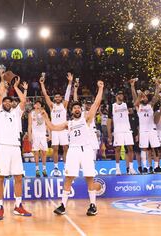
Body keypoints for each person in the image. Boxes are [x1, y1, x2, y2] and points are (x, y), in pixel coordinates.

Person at [44, 80, 104, 216]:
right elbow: (53, 127)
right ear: (71, 111)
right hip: (73, 150)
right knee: (69, 177)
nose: (77, 109)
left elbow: (96, 103)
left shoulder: (86, 119)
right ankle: (63, 205)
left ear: (81, 110)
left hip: (86, 149)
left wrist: (100, 88)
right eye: (74, 108)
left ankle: (93, 205)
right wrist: (46, 117)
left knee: (89, 177)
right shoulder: (68, 123)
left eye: (78, 108)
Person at [0, 76, 31, 221]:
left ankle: (18, 206)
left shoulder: (16, 113)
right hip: (2, 147)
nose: (7, 102)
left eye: (10, 101)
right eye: (5, 101)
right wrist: (2, 80)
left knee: (18, 177)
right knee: (0, 178)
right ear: (2, 104)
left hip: (15, 148)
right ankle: (0, 207)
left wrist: (16, 87)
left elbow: (23, 101)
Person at [39, 73, 72, 176]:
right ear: (54, 99)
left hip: (63, 130)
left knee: (66, 147)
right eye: (56, 97)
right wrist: (42, 84)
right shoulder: (52, 106)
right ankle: (56, 168)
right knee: (55, 149)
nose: (57, 98)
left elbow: (67, 95)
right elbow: (45, 95)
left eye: (59, 97)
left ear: (61, 98)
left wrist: (70, 82)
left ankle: (66, 167)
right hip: (54, 130)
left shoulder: (64, 105)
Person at [131, 79, 161, 173]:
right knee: (143, 148)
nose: (144, 98)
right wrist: (132, 86)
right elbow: (134, 97)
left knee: (155, 148)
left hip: (152, 129)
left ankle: (156, 166)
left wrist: (157, 86)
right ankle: (145, 167)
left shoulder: (150, 105)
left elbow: (156, 96)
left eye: (145, 97)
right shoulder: (138, 106)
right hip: (143, 130)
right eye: (142, 97)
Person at [107, 86, 136, 175]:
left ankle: (131, 168)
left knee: (130, 148)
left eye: (122, 94)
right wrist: (109, 135)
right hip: (118, 130)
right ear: (116, 96)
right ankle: (117, 168)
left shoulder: (127, 104)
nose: (121, 96)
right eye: (119, 94)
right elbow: (109, 121)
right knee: (118, 149)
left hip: (127, 129)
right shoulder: (112, 106)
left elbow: (136, 102)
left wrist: (132, 87)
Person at [28, 100, 49, 177]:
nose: (38, 105)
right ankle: (37, 169)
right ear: (34, 106)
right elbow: (29, 125)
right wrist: (29, 135)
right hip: (35, 135)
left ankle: (44, 169)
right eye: (36, 104)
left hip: (43, 134)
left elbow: (47, 123)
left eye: (39, 104)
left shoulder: (43, 112)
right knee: (36, 152)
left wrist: (49, 134)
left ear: (41, 105)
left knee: (44, 152)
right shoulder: (31, 113)